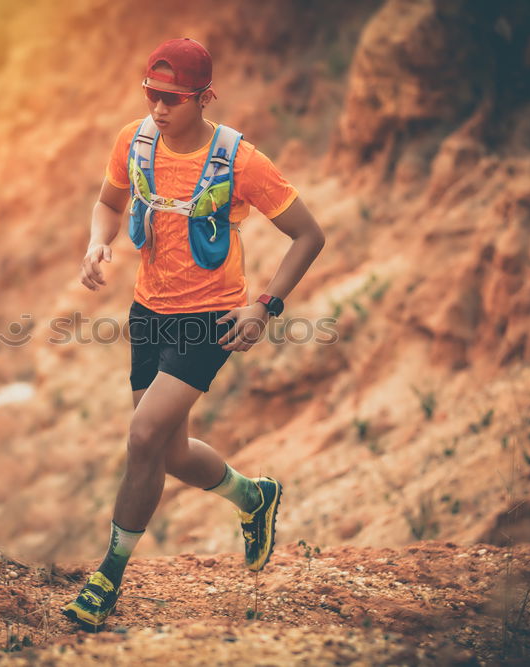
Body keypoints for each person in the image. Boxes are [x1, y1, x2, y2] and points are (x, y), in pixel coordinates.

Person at [64, 37, 325, 631]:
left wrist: (265, 306)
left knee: (143, 434)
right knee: (171, 452)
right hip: (147, 312)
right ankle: (254, 497)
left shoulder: (241, 160)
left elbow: (309, 235)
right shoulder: (134, 139)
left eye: (173, 99)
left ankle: (107, 575)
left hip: (213, 319)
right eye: (152, 95)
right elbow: (107, 202)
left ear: (204, 97)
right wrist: (96, 242)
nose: (159, 108)